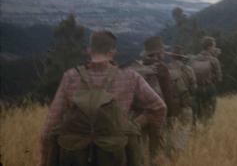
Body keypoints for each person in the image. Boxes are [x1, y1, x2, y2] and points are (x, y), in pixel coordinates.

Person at [39, 30, 166, 166]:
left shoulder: (70, 77)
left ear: (89, 50)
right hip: (114, 153)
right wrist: (135, 125)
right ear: (112, 53)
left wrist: (45, 157)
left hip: (75, 153)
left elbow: (51, 124)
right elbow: (159, 107)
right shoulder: (130, 76)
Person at [130, 36, 173, 164]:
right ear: (159, 53)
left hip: (137, 115)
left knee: (139, 150)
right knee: (156, 151)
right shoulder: (162, 68)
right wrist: (169, 115)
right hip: (157, 113)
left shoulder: (135, 68)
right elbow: (168, 94)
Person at [165, 45, 197, 158]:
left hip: (168, 105)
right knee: (184, 126)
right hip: (184, 104)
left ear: (172, 57)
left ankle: (168, 152)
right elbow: (193, 89)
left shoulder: (165, 69)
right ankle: (179, 150)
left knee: (168, 129)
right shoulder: (188, 70)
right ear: (182, 57)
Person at [190, 36, 222, 124]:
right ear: (209, 47)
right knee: (209, 113)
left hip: (196, 89)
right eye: (214, 46)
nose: (214, 48)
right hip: (209, 89)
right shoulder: (214, 60)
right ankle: (206, 130)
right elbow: (219, 78)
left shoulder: (193, 59)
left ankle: (195, 129)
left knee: (196, 112)